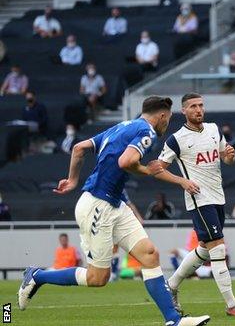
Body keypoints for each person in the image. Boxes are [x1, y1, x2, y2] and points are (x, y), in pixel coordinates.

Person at [18, 96, 211, 325]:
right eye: (167, 120)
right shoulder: (147, 132)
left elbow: (79, 148)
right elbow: (126, 161)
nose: (166, 125)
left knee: (149, 254)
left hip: (115, 203)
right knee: (97, 278)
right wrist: (148, 171)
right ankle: (37, 276)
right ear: (161, 116)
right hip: (98, 205)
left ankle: (173, 320)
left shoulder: (120, 127)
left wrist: (72, 180)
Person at [157, 93, 235, 317]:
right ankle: (231, 304)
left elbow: (225, 158)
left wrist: (230, 156)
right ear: (184, 111)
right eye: (193, 106)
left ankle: (170, 286)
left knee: (204, 249)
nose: (198, 110)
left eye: (201, 105)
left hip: (218, 196)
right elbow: (158, 168)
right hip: (199, 199)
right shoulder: (177, 139)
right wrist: (182, 181)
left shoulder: (213, 129)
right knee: (218, 247)